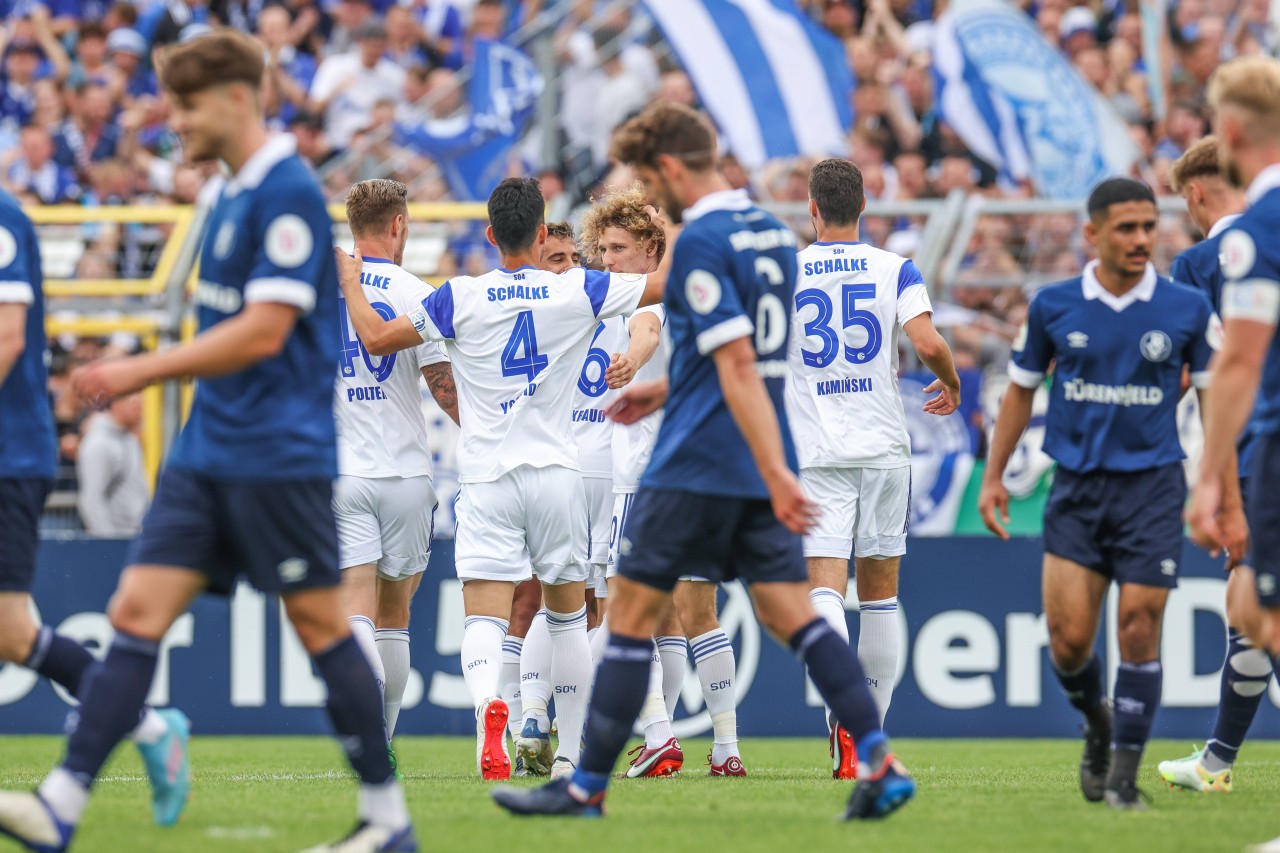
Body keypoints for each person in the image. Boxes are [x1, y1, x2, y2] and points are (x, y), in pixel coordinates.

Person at [0, 30, 416, 853]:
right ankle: (61, 802)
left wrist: (140, 369)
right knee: (132, 612)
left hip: (276, 458)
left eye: (186, 105)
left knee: (324, 628)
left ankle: (386, 817)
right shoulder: (224, 195)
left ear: (235, 99)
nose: (172, 121)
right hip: (206, 451)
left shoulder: (287, 192)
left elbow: (263, 332)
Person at [491, 101, 914, 821]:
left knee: (629, 615)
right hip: (753, 454)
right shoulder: (774, 239)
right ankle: (879, 755)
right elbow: (741, 356)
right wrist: (665, 393)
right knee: (796, 613)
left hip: (694, 465)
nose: (659, 191)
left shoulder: (705, 241)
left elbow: (740, 363)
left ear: (674, 166)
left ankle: (585, 784)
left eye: (652, 174)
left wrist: (767, 466)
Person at [333, 177, 664, 782]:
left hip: (485, 477)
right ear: (542, 236)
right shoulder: (578, 290)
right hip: (558, 475)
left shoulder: (458, 296)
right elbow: (663, 288)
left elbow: (377, 339)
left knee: (484, 617)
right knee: (567, 619)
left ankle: (492, 706)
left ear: (489, 235)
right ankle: (569, 757)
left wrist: (353, 283)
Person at [979, 177, 1239, 811]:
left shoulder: (1185, 309)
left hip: (1152, 491)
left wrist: (1222, 490)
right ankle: (1098, 724)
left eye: (1149, 226)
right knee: (1069, 643)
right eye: (1126, 228)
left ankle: (1123, 778)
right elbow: (1018, 390)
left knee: (1139, 626)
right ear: (1092, 233)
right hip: (1077, 491)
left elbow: (1214, 401)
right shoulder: (1053, 306)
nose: (1141, 239)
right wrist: (993, 476)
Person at [0, 184, 189, 839]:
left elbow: (7, 336)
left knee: (11, 632)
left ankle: (147, 724)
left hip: (8, 454)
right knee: (14, 632)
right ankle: (148, 723)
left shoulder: (2, 218)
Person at [788, 158, 961, 779]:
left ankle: (846, 719)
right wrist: (951, 381)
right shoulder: (895, 267)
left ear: (812, 210)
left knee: (824, 592)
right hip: (886, 449)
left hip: (819, 453)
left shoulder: (790, 270)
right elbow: (930, 344)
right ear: (863, 209)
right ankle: (871, 738)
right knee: (881, 598)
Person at [581, 185, 748, 779]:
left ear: (653, 249)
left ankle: (655, 732)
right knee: (692, 614)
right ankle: (725, 748)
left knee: (623, 611)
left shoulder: (648, 307)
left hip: (642, 479)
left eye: (619, 248)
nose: (607, 260)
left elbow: (645, 332)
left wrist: (627, 361)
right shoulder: (703, 296)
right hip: (702, 474)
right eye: (601, 249)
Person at [334, 178, 460, 776]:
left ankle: (364, 742)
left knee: (354, 611)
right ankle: (381, 739)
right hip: (407, 472)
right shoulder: (418, 291)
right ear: (400, 225)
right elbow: (444, 387)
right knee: (395, 616)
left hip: (342, 472)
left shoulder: (325, 289)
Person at [1190, 57, 1280, 851]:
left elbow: (1240, 363)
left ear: (1237, 132)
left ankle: (1219, 755)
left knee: (1264, 611)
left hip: (1276, 444)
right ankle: (1219, 754)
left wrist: (1214, 474)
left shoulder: (1254, 234)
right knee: (1252, 610)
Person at [1158, 136, 1262, 794]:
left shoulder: (1199, 264)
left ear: (1197, 193)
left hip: (1255, 447)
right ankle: (1216, 761)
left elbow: (1190, 374)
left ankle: (1216, 762)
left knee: (1252, 601)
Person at [508, 220, 584, 776]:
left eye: (577, 257)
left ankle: (529, 718)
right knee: (547, 603)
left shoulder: (587, 299)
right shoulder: (555, 305)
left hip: (580, 469)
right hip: (550, 471)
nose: (572, 266)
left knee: (565, 603)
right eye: (557, 258)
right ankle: (530, 718)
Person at [76, 391, 149, 536]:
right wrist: (109, 541)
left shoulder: (131, 440)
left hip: (134, 536)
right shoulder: (98, 443)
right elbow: (91, 500)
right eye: (135, 405)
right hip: (116, 539)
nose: (140, 411)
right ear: (116, 404)